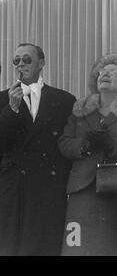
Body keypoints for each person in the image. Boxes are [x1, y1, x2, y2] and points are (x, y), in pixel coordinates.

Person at [58, 54, 117, 255]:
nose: (105, 74)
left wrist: (112, 145)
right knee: (77, 248)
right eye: (102, 72)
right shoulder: (79, 111)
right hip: (83, 191)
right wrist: (85, 145)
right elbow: (63, 143)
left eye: (113, 71)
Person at [0, 43, 76, 255]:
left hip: (48, 190)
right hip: (11, 191)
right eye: (16, 61)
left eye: (27, 59)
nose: (21, 65)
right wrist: (11, 109)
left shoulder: (65, 100)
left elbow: (67, 145)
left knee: (44, 246)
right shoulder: (1, 99)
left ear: (41, 63)